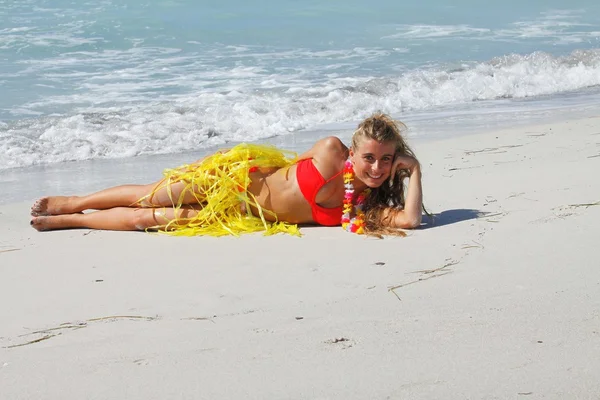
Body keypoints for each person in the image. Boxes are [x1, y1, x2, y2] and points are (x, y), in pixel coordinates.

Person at [30, 113, 424, 236]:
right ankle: (75, 202)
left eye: (386, 160)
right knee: (150, 196)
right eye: (369, 157)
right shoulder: (329, 150)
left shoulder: (363, 207)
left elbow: (409, 219)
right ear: (353, 152)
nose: (376, 167)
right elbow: (282, 164)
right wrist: (231, 163)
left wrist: (416, 170)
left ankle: (68, 221)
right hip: (233, 182)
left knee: (142, 220)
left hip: (238, 215)